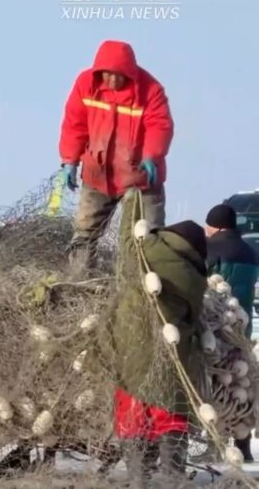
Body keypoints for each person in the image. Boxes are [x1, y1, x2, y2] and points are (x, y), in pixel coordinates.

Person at [58, 40, 174, 274]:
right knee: (84, 233)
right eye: (107, 74)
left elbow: (160, 126)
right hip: (98, 175)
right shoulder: (85, 84)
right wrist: (70, 160)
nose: (112, 80)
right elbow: (74, 124)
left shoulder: (151, 90)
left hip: (141, 178)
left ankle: (142, 285)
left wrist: (152, 155)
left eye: (118, 75)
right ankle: (79, 281)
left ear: (129, 73)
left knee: (147, 236)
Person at [112, 206, 206, 487]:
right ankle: (172, 479)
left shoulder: (143, 251)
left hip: (129, 351)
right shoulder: (194, 278)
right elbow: (194, 319)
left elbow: (126, 234)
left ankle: (137, 480)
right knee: (170, 416)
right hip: (170, 359)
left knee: (132, 416)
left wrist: (132, 195)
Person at [204, 203, 258, 462]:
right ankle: (243, 445)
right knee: (242, 384)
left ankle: (214, 446)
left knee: (216, 386)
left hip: (217, 327)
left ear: (216, 226)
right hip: (242, 327)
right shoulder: (250, 251)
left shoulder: (210, 249)